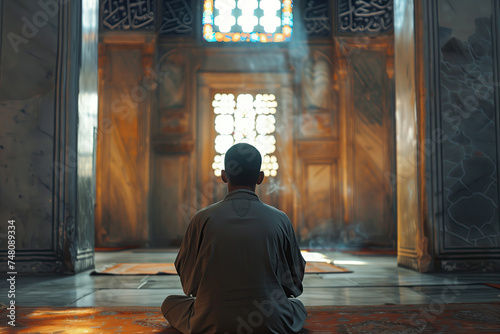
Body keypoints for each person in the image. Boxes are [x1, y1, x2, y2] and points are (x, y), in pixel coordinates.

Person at [161, 143, 307, 334]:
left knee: (170, 303)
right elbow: (295, 278)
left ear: (223, 175)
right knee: (299, 307)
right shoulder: (280, 218)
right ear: (260, 177)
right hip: (270, 320)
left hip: (212, 320)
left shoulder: (202, 218)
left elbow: (187, 275)